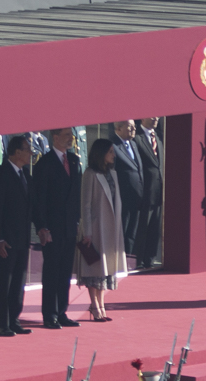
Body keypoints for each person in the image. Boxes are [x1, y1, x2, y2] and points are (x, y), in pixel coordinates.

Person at [31, 126, 84, 329]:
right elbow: (40, 199)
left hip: (70, 226)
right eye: (66, 136)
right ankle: (49, 314)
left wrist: (78, 222)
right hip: (52, 228)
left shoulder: (74, 160)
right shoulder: (45, 164)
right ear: (55, 138)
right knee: (52, 271)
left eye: (71, 136)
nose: (70, 139)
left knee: (64, 272)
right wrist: (42, 227)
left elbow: (76, 195)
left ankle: (62, 311)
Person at [0, 134, 35, 337]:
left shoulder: (25, 175)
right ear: (17, 152)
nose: (31, 153)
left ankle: (14, 319)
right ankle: (2, 323)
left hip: (22, 238)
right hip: (6, 240)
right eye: (27, 149)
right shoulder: (2, 174)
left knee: (18, 282)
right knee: (4, 282)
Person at [78, 137, 128, 323]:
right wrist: (88, 231)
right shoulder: (90, 174)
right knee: (95, 267)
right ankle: (95, 305)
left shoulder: (112, 173)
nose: (113, 155)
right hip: (96, 228)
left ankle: (102, 305)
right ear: (101, 154)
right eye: (110, 152)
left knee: (106, 268)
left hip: (111, 227)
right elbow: (86, 205)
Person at [104, 119, 143, 258]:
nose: (134, 129)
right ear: (119, 128)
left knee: (131, 234)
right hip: (122, 199)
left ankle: (128, 259)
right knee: (121, 232)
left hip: (136, 199)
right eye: (130, 126)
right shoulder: (112, 146)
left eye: (134, 126)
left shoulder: (133, 144)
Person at [132, 117, 163, 266]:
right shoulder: (137, 138)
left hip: (158, 191)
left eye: (158, 116)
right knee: (142, 227)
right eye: (152, 116)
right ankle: (138, 258)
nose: (156, 118)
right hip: (144, 191)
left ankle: (150, 259)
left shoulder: (158, 137)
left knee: (155, 228)